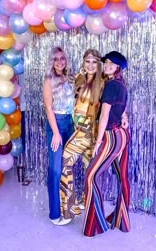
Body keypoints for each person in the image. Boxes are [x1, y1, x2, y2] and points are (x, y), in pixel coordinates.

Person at [83, 51, 130, 237]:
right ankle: (122, 221)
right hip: (122, 134)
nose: (108, 65)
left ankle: (96, 224)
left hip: (111, 136)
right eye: (106, 62)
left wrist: (98, 141)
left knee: (90, 177)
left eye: (112, 63)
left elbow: (103, 116)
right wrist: (124, 116)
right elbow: (121, 108)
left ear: (118, 66)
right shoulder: (120, 83)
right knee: (122, 178)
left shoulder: (111, 85)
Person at [59, 49, 103, 225]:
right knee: (84, 170)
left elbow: (113, 104)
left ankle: (75, 208)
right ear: (83, 63)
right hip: (77, 130)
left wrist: (124, 116)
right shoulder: (78, 78)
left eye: (94, 62)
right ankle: (75, 207)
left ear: (99, 64)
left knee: (76, 167)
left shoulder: (104, 83)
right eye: (88, 61)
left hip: (89, 133)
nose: (91, 65)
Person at [43, 47, 75, 225]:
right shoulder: (49, 80)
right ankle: (54, 213)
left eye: (62, 58)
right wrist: (56, 132)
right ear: (51, 61)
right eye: (56, 59)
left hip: (71, 123)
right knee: (55, 169)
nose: (60, 62)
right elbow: (48, 108)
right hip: (56, 124)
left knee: (67, 168)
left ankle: (68, 206)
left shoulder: (70, 77)